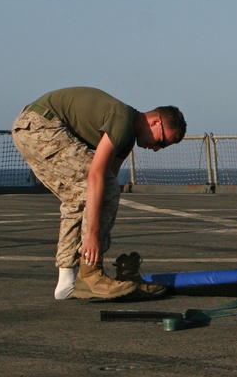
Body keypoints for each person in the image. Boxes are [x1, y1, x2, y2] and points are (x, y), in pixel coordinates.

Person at [11, 87, 186, 300]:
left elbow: (103, 190)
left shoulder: (126, 139)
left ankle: (68, 282)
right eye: (161, 141)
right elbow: (96, 176)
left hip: (30, 128)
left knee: (80, 197)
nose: (157, 149)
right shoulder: (122, 121)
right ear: (155, 122)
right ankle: (90, 273)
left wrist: (97, 234)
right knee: (99, 186)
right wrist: (92, 237)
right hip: (40, 125)